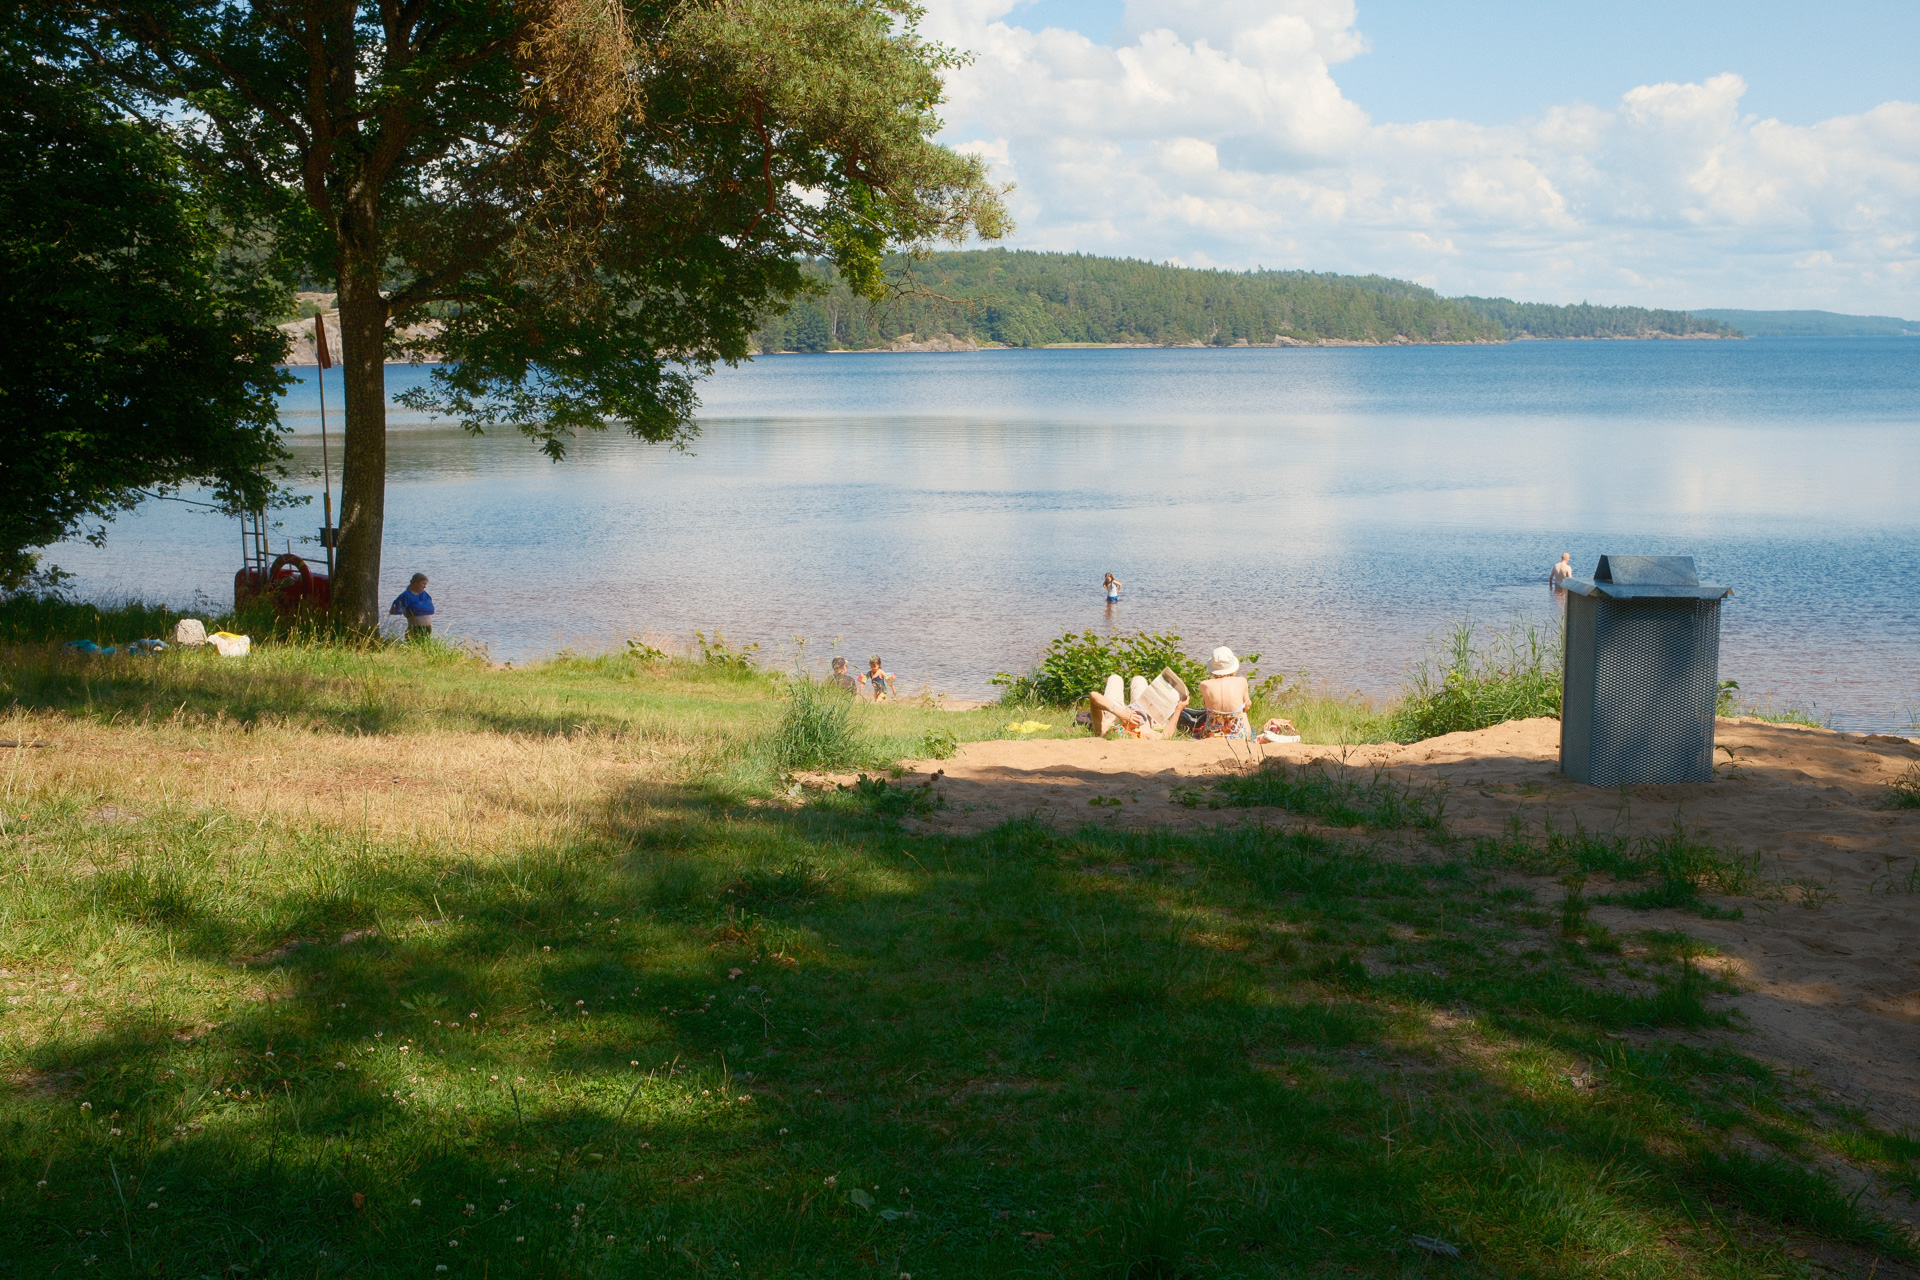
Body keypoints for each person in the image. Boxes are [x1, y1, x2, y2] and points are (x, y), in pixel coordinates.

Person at [1087, 668, 1189, 738]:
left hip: (1113, 711)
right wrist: (1178, 710)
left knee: (1114, 678)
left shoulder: (1106, 729)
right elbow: (1165, 736)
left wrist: (1119, 713)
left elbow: (1094, 696)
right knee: (1139, 679)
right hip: (1142, 706)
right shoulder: (1144, 731)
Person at [1196, 647, 1252, 739]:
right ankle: (1244, 733)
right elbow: (1247, 706)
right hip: (1239, 735)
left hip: (1211, 735)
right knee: (1243, 712)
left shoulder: (1204, 685)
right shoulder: (1241, 681)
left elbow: (1206, 707)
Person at [389, 573, 435, 638]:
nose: (425, 586)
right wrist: (404, 612)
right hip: (415, 629)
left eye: (425, 584)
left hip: (427, 628)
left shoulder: (424, 594)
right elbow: (393, 611)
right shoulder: (406, 596)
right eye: (423, 584)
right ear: (415, 582)